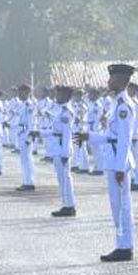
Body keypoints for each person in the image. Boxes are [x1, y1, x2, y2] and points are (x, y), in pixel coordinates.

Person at [100, 62, 137, 262]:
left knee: (122, 205)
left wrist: (120, 166)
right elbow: (111, 136)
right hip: (113, 158)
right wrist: (89, 136)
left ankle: (124, 247)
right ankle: (122, 244)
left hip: (118, 161)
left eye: (112, 78)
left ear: (122, 80)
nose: (109, 81)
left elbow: (124, 139)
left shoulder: (124, 106)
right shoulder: (117, 103)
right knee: (118, 205)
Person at [48, 85, 77, 216]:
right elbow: (55, 130)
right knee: (62, 179)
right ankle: (66, 204)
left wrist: (65, 153)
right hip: (57, 147)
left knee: (65, 178)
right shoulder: (60, 110)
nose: (56, 96)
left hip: (62, 149)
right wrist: (40, 133)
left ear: (66, 96)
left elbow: (66, 134)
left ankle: (69, 206)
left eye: (59, 94)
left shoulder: (66, 112)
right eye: (57, 94)